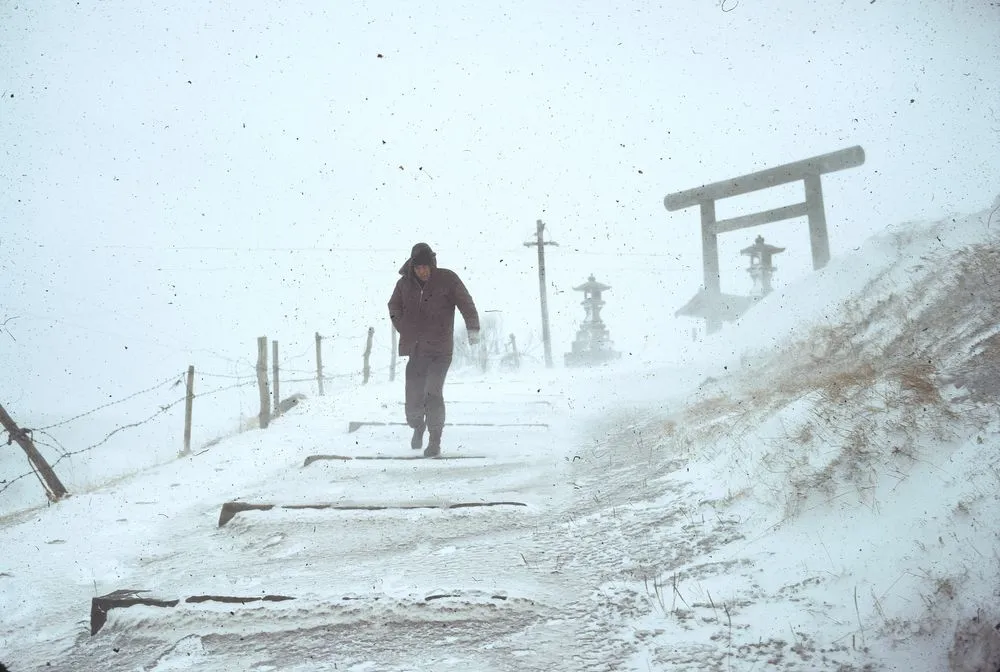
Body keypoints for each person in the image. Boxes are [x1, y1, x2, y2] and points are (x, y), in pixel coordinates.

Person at [388, 242, 480, 457]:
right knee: (413, 398)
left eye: (426, 266)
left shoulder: (447, 279)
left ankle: (435, 440)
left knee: (433, 392)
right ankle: (418, 426)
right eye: (418, 267)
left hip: (440, 350)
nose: (423, 271)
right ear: (412, 267)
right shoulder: (404, 285)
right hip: (416, 350)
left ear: (432, 264)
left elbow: (466, 303)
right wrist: (403, 327)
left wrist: (473, 329)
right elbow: (393, 307)